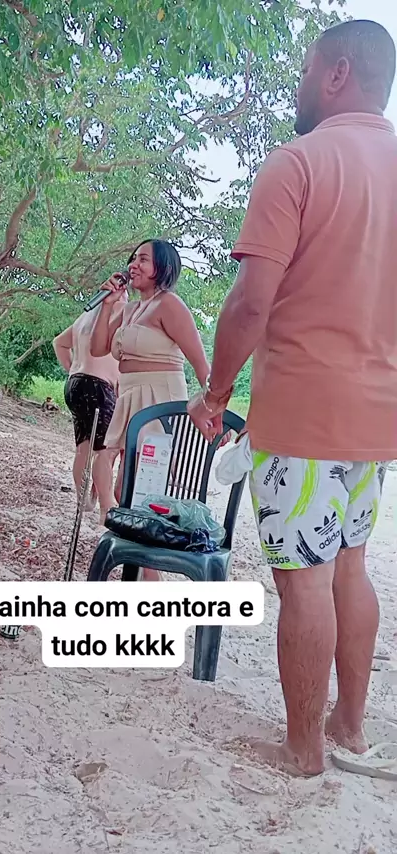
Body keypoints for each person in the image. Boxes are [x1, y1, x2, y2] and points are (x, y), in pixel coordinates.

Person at [188, 20, 397, 776]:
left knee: (304, 582)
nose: (300, 85)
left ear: (337, 74)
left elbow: (250, 304)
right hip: (377, 424)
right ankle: (348, 726)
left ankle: (303, 748)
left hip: (304, 415)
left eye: (307, 70)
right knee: (350, 570)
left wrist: (216, 392)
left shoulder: (299, 162)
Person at [91, 239, 210, 580]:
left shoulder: (169, 304)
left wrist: (213, 405)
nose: (134, 265)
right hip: (129, 396)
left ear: (163, 267)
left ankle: (149, 579)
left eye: (143, 259)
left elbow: (200, 362)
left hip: (160, 396)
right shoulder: (130, 309)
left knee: (144, 491)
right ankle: (145, 574)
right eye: (133, 258)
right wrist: (107, 304)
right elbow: (98, 348)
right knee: (121, 489)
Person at [53, 304, 123, 523]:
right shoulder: (121, 314)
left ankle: (83, 499)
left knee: (83, 448)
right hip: (99, 387)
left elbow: (59, 343)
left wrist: (72, 368)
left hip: (75, 384)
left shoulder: (85, 317)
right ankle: (106, 507)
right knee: (105, 450)